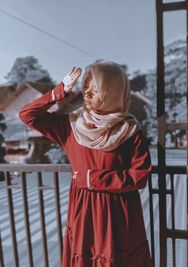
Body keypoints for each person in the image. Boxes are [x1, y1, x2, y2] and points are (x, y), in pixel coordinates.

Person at [19, 61, 153, 267]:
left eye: (95, 89)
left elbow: (140, 175)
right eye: (85, 88)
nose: (87, 94)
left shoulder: (129, 131)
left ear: (113, 92)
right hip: (85, 215)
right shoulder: (70, 126)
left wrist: (91, 178)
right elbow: (27, 115)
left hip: (118, 217)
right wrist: (59, 91)